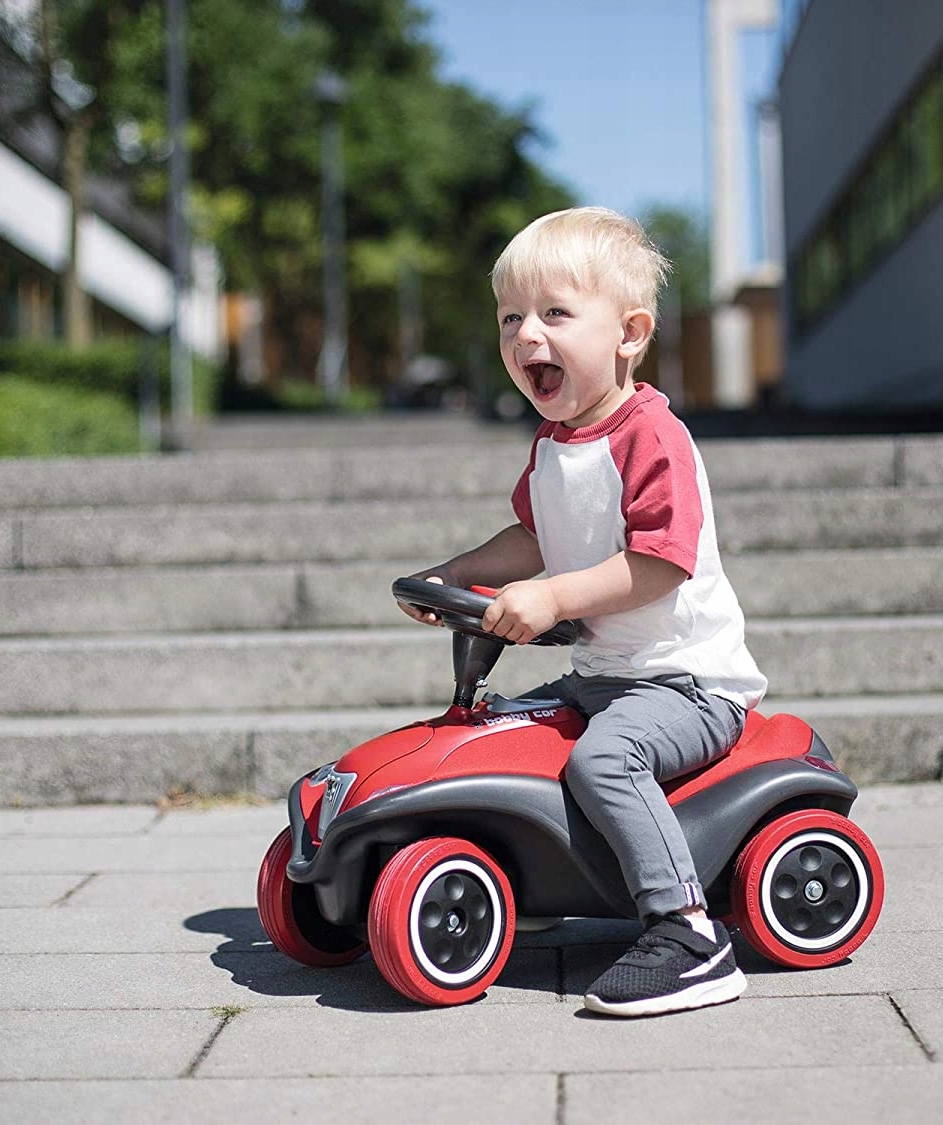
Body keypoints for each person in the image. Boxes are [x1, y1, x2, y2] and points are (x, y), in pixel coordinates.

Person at [398, 206, 767, 1017]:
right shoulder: (553, 442)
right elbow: (532, 535)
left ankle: (687, 932)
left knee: (604, 761)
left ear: (629, 334)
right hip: (605, 674)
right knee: (501, 733)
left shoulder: (651, 436)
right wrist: (457, 574)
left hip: (685, 683)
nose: (526, 335)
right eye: (510, 319)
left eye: (555, 314)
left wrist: (554, 597)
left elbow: (661, 563)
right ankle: (531, 875)